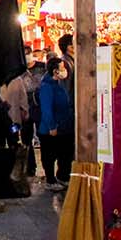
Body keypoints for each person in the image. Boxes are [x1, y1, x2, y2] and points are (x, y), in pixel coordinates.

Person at [3, 50, 45, 176]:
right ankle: (26, 167)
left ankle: (23, 168)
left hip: (10, 118)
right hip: (16, 119)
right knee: (18, 140)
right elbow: (23, 100)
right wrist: (25, 111)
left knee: (10, 141)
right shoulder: (17, 78)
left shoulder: (41, 68)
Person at [38, 57, 74, 191]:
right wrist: (52, 126)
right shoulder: (46, 87)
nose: (65, 70)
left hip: (64, 127)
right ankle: (50, 180)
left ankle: (62, 177)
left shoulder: (59, 84)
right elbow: (47, 109)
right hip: (51, 130)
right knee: (49, 156)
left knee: (65, 154)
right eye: (62, 68)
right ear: (55, 71)